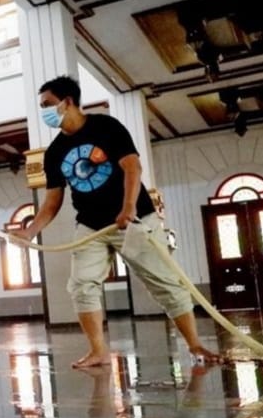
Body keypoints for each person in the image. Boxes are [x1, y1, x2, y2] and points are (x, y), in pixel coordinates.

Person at [11, 75, 220, 369]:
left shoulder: (106, 127)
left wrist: (128, 208)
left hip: (134, 219)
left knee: (165, 283)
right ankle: (98, 351)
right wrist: (30, 231)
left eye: (47, 104)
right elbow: (52, 202)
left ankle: (195, 345)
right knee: (82, 285)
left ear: (67, 102)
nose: (43, 110)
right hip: (91, 226)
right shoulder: (55, 152)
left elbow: (132, 167)